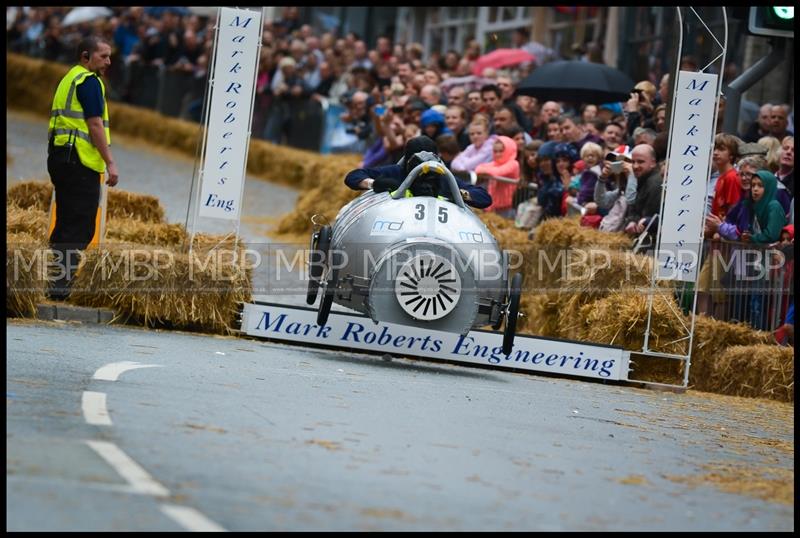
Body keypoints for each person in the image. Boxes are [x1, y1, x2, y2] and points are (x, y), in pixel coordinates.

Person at [47, 36, 119, 300]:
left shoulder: (70, 77)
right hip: (80, 161)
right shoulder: (89, 82)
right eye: (103, 56)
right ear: (85, 56)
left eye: (110, 56)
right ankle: (59, 288)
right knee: (79, 226)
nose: (108, 62)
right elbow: (95, 125)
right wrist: (110, 162)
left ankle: (51, 279)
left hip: (60, 157)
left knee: (66, 221)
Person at [344, 135, 491, 209]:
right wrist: (374, 183)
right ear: (407, 158)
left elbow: (484, 198)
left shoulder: (444, 178)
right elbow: (353, 176)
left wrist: (459, 193)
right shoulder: (395, 172)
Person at [475, 135, 520, 218]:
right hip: (493, 205)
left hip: (507, 207)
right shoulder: (495, 163)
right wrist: (488, 171)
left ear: (509, 150)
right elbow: (478, 168)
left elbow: (497, 172)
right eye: (495, 151)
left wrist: (487, 172)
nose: (498, 154)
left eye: (501, 151)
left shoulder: (514, 164)